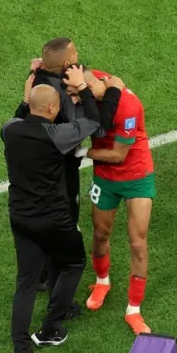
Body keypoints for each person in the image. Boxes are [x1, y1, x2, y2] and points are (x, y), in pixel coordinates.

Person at [1, 67, 100, 353]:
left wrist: (26, 97)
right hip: (54, 220)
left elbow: (17, 116)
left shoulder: (10, 129)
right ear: (53, 109)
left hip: (21, 217)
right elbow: (92, 122)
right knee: (74, 263)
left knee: (26, 284)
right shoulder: (56, 135)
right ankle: (49, 330)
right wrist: (83, 88)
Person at [15, 38, 119, 293]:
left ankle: (39, 276)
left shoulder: (38, 80)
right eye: (74, 55)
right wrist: (111, 91)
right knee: (63, 222)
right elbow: (99, 125)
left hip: (31, 169)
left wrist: (34, 70)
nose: (78, 56)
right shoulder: (62, 92)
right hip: (59, 169)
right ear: (66, 63)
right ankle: (55, 285)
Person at [74, 68, 155, 335]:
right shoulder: (86, 87)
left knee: (137, 242)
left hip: (135, 176)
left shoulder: (127, 105)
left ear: (97, 83)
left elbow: (119, 155)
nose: (80, 99)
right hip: (105, 177)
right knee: (100, 233)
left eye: (82, 93)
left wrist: (83, 152)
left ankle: (134, 309)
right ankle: (102, 281)